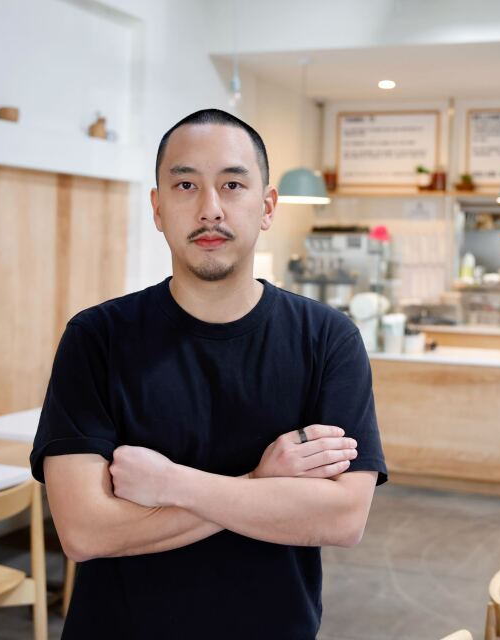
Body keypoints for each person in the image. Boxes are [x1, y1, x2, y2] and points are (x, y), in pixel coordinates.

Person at [30, 108, 387, 639]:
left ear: (267, 207)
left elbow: (341, 519)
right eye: (185, 185)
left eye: (233, 184)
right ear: (157, 207)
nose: (210, 208)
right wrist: (263, 483)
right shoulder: (97, 337)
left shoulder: (327, 339)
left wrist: (171, 484)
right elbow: (84, 532)